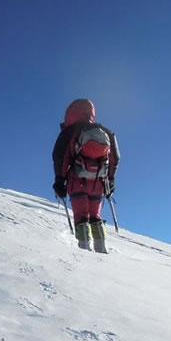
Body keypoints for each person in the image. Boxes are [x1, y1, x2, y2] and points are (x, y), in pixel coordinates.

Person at [52, 99, 120, 253]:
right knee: (95, 216)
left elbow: (60, 157)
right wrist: (111, 180)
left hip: (77, 181)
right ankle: (101, 248)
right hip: (98, 182)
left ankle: (84, 252)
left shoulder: (70, 132)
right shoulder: (106, 132)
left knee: (81, 215)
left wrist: (59, 181)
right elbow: (115, 158)